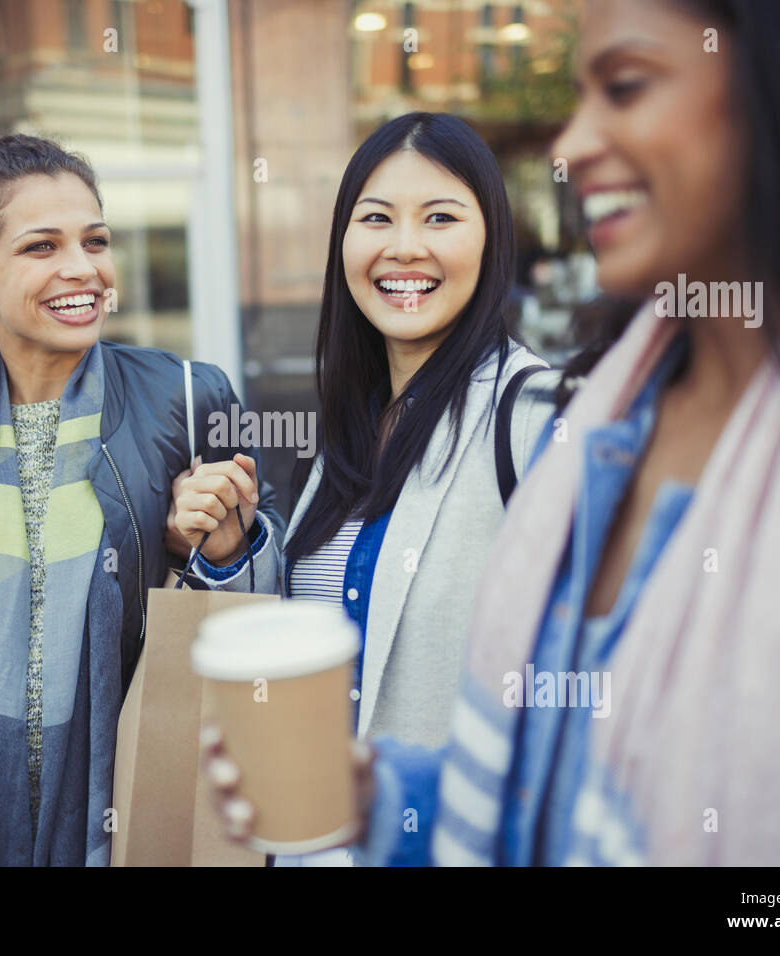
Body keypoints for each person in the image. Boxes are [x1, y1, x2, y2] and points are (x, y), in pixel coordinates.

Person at [209, 0, 780, 865]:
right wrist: (383, 793)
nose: (571, 146)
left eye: (624, 85)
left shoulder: (548, 420)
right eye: (375, 217)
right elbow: (556, 769)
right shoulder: (615, 408)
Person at [0, 133, 283, 866]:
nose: (83, 269)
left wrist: (218, 545)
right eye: (41, 247)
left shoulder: (188, 395)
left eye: (95, 240)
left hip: (141, 792)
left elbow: (263, 596)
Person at [172, 112, 557, 864]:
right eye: (375, 218)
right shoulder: (343, 435)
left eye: (441, 217)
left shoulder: (536, 419)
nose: (403, 247)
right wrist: (230, 548)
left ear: (492, 240)